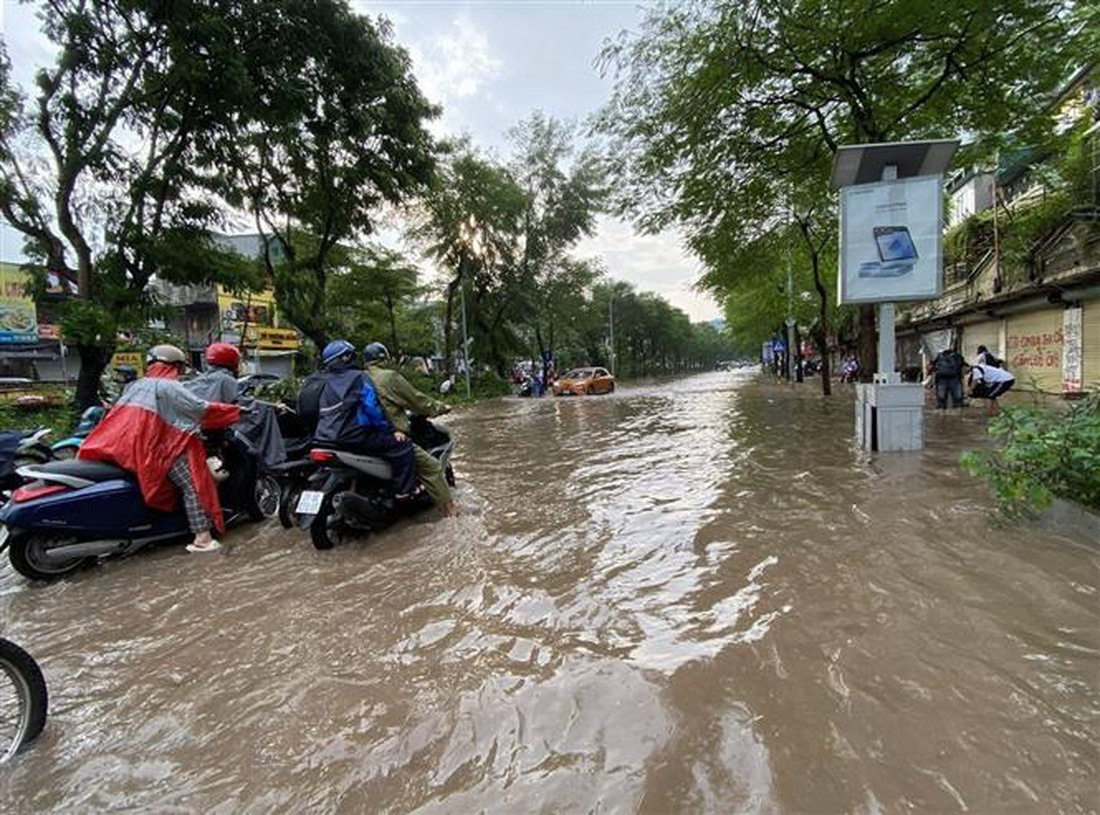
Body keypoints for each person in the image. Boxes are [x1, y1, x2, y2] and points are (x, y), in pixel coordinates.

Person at [78, 344, 239, 553]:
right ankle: (203, 538)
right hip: (155, 448)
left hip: (120, 443)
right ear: (177, 367)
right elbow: (201, 410)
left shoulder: (135, 385)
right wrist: (235, 411)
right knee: (194, 484)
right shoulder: (169, 387)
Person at [312, 340, 419, 500]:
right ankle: (404, 492)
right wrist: (391, 430)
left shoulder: (320, 380)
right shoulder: (359, 377)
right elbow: (373, 409)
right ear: (347, 357)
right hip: (354, 437)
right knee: (403, 447)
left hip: (322, 438)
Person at [362, 342, 457, 517]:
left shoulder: (360, 378)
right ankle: (452, 515)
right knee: (433, 468)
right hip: (393, 437)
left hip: (365, 438)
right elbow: (416, 400)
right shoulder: (389, 377)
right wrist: (441, 407)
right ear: (384, 358)